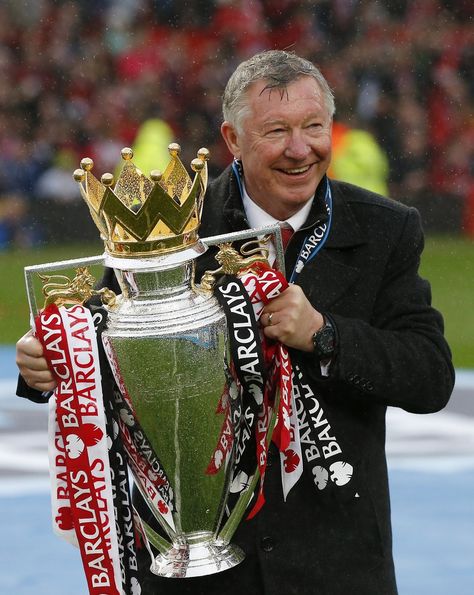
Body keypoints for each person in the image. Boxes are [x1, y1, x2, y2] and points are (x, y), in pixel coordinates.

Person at [16, 50, 454, 595]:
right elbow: (102, 338)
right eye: (277, 131)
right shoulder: (170, 225)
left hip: (334, 564)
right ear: (233, 139)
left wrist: (325, 334)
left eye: (314, 127)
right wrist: (46, 362)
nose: (301, 149)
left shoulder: (386, 229)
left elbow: (430, 376)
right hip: (194, 565)